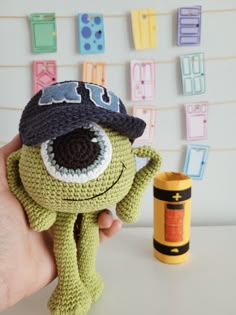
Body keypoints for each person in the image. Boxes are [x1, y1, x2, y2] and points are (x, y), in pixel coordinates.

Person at [0, 135, 122, 312]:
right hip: (55, 218)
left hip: (89, 215)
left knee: (87, 240)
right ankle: (70, 283)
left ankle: (86, 276)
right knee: (67, 242)